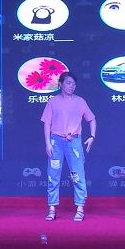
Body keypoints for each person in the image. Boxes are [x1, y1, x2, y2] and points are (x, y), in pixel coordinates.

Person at [41, 71, 96, 222]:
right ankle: (52, 208)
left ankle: (80, 208)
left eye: (74, 84)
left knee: (78, 175)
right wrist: (47, 143)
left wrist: (92, 136)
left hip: (74, 142)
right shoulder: (52, 102)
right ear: (61, 84)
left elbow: (92, 119)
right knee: (53, 175)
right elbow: (47, 123)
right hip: (56, 142)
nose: (72, 86)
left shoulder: (80, 101)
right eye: (68, 83)